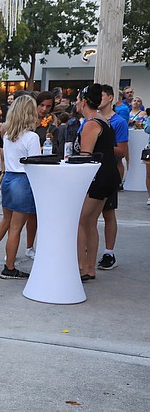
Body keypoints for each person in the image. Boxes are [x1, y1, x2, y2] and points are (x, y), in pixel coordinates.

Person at [0, 96, 40, 279]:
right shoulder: (31, 137)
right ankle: (9, 267)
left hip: (9, 178)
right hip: (23, 179)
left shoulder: (6, 133)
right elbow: (34, 164)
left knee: (6, 221)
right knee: (16, 228)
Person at [75, 84, 120, 282]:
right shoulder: (104, 121)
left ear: (84, 102)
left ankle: (81, 266)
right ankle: (89, 267)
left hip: (97, 178)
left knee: (81, 221)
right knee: (89, 221)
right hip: (108, 177)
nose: (76, 103)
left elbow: (85, 157)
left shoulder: (91, 124)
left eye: (77, 99)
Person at [96, 84, 130, 270]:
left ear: (110, 98)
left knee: (108, 213)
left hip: (109, 172)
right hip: (91, 173)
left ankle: (109, 252)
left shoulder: (119, 122)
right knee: (88, 215)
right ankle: (87, 248)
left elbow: (122, 151)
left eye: (101, 96)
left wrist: (100, 147)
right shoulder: (90, 119)